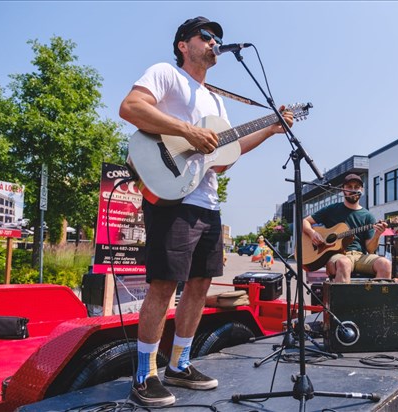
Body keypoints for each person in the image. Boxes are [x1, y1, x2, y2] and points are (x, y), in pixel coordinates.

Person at [119, 16, 293, 407]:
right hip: (171, 197)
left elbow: (223, 158)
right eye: (207, 36)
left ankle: (179, 365)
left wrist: (270, 128)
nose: (215, 42)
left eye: (218, 38)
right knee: (164, 285)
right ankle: (144, 374)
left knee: (198, 285)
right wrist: (188, 131)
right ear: (184, 43)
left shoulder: (215, 99)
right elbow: (130, 107)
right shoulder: (165, 74)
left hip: (206, 200)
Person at [302, 174, 392, 283]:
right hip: (337, 256)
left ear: (361, 190)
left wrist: (377, 235)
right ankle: (343, 300)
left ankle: (377, 300)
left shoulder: (368, 216)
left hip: (360, 256)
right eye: (349, 186)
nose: (353, 189)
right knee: (344, 263)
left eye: (357, 187)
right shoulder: (332, 209)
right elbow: (305, 221)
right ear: (343, 189)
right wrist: (312, 233)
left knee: (385, 264)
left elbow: (370, 249)